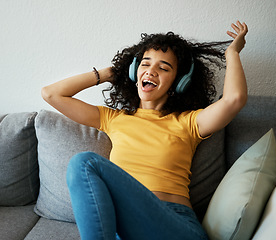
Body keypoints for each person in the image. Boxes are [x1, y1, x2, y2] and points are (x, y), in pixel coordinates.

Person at [41, 21, 248, 240]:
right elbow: (51, 94)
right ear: (134, 71)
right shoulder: (114, 118)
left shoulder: (189, 122)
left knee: (84, 163)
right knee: (83, 165)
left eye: (163, 68)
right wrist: (112, 72)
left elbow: (234, 99)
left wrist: (232, 52)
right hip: (126, 228)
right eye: (144, 64)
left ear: (179, 82)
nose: (151, 71)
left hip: (174, 224)